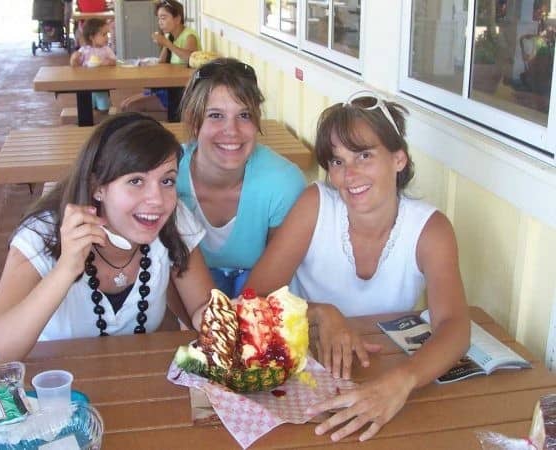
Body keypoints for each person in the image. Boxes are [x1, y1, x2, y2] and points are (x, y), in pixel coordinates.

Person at [245, 90, 470, 442]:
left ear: (399, 159)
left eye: (363, 155)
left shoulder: (430, 230)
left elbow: (455, 326)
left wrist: (403, 381)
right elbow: (251, 299)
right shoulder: (316, 205)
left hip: (385, 374)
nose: (349, 175)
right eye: (337, 161)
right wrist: (319, 313)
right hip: (306, 374)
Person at [0, 113, 213, 368]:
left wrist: (224, 315)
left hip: (137, 385)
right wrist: (66, 268)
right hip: (53, 391)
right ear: (97, 187)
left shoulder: (174, 222)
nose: (157, 199)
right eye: (136, 181)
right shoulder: (42, 234)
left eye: (167, 181)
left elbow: (202, 309)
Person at [176, 58, 306, 298]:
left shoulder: (283, 182)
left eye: (244, 115)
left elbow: (277, 276)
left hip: (259, 283)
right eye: (216, 115)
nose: (232, 131)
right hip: (185, 282)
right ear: (195, 123)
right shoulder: (166, 177)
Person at [120, 0, 200, 122]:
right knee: (124, 104)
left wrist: (167, 43)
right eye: (158, 19)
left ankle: (169, 124)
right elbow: (162, 63)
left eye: (163, 18)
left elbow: (190, 58)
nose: (160, 22)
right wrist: (164, 43)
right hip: (168, 88)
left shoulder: (189, 36)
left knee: (131, 107)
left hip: (182, 92)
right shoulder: (170, 36)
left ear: (177, 19)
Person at [70, 18, 116, 113]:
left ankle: (103, 121)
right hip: (86, 87)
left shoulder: (106, 50)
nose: (107, 37)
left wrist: (108, 62)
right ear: (91, 37)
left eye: (107, 34)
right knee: (87, 109)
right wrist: (74, 58)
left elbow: (114, 61)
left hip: (102, 86)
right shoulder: (84, 50)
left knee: (104, 108)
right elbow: (75, 65)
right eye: (103, 35)